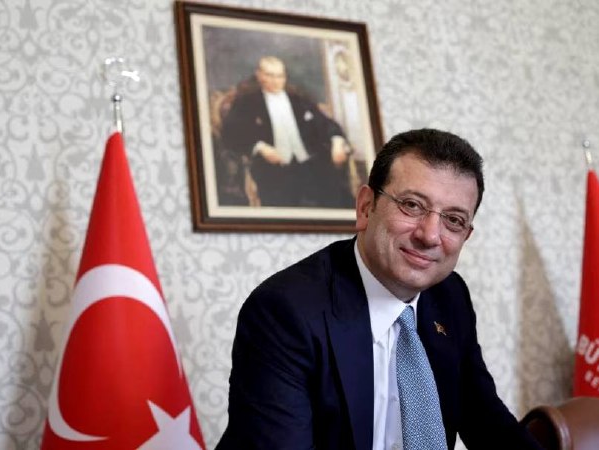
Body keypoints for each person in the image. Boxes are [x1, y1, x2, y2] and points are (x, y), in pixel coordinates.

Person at [215, 129, 542, 449]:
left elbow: (485, 417)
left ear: (466, 235)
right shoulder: (285, 312)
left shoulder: (450, 295)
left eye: (453, 220)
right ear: (366, 207)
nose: (430, 235)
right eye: (412, 205)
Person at [221, 56, 354, 208]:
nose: (276, 81)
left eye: (280, 76)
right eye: (270, 75)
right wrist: (260, 147)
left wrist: (337, 141)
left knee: (340, 201)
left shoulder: (298, 99)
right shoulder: (247, 102)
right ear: (259, 75)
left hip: (311, 164)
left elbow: (326, 123)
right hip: (274, 170)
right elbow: (231, 132)